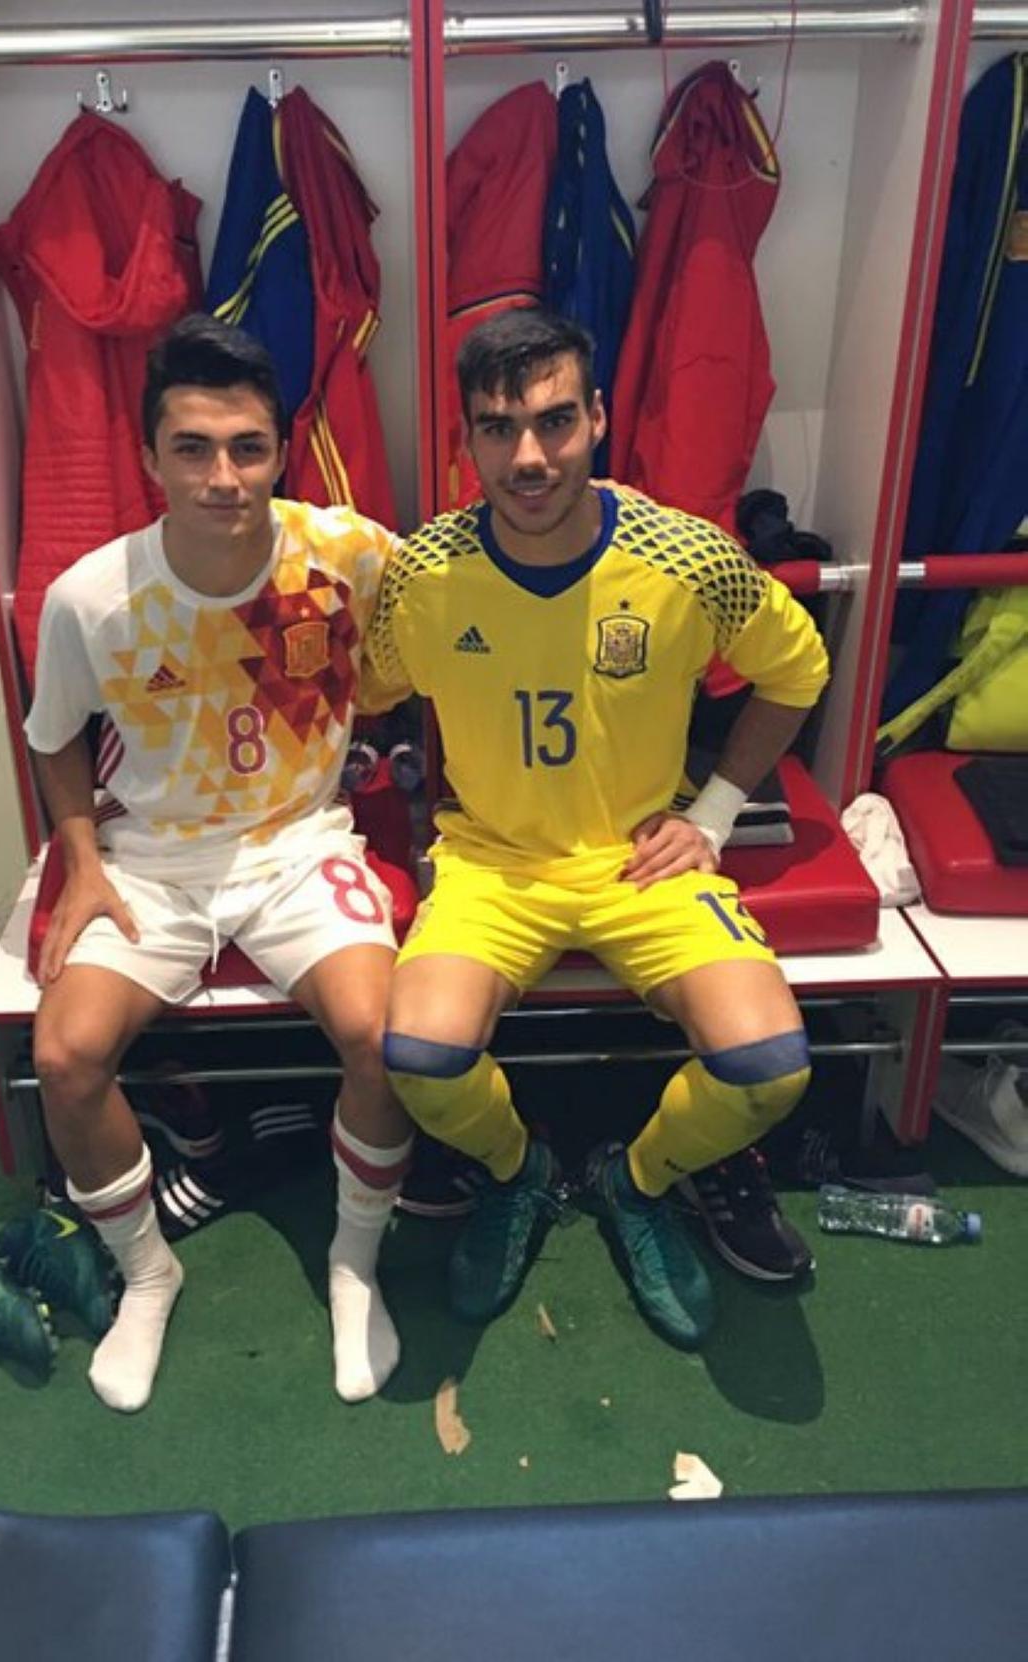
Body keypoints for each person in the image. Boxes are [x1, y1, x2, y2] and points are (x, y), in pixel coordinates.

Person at [368, 307, 830, 1348]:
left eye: (555, 420)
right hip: (493, 863)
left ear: (600, 418)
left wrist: (714, 812)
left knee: (771, 1066)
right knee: (420, 1057)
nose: (529, 456)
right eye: (498, 428)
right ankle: (518, 1173)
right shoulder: (425, 572)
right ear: (467, 438)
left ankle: (637, 1183)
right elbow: (368, 687)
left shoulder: (687, 557)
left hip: (639, 862)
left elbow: (797, 671)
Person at [25, 314, 413, 1411]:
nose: (222, 477)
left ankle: (354, 1260)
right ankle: (149, 1272)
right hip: (153, 859)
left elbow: (449, 632)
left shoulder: (351, 553)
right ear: (148, 455)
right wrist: (83, 861)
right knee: (64, 1056)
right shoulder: (90, 596)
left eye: (247, 447)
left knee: (384, 1039)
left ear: (282, 450)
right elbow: (52, 737)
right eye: (191, 448)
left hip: (298, 842)